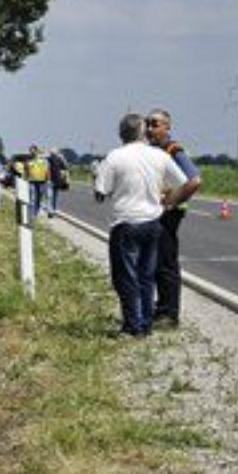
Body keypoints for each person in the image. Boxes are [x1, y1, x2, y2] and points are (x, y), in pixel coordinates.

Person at [93, 113, 193, 336]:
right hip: (153, 224)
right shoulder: (159, 155)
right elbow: (184, 182)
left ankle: (133, 325)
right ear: (142, 133)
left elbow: (100, 192)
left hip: (126, 223)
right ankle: (146, 323)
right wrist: (168, 202)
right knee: (147, 276)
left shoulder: (114, 157)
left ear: (121, 134)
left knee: (126, 277)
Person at [145, 109, 202, 326]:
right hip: (156, 213)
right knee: (156, 262)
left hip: (169, 215)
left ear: (167, 127)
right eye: (148, 124)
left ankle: (170, 313)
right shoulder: (151, 151)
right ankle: (161, 308)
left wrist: (171, 202)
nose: (150, 128)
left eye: (155, 124)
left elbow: (194, 180)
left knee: (166, 263)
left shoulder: (173, 150)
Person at [22, 144, 51, 217]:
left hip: (42, 181)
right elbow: (25, 171)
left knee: (39, 198)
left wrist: (48, 180)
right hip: (31, 181)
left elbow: (47, 170)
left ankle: (37, 211)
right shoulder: (28, 161)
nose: (32, 152)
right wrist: (24, 179)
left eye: (33, 151)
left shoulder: (43, 161)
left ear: (36, 151)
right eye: (30, 151)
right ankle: (31, 213)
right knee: (32, 197)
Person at [45, 147, 69, 217]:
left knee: (53, 196)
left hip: (55, 180)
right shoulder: (48, 159)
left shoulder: (59, 160)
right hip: (51, 180)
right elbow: (65, 168)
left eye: (54, 153)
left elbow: (65, 167)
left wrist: (62, 158)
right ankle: (51, 210)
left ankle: (53, 210)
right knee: (51, 196)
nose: (53, 154)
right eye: (52, 153)